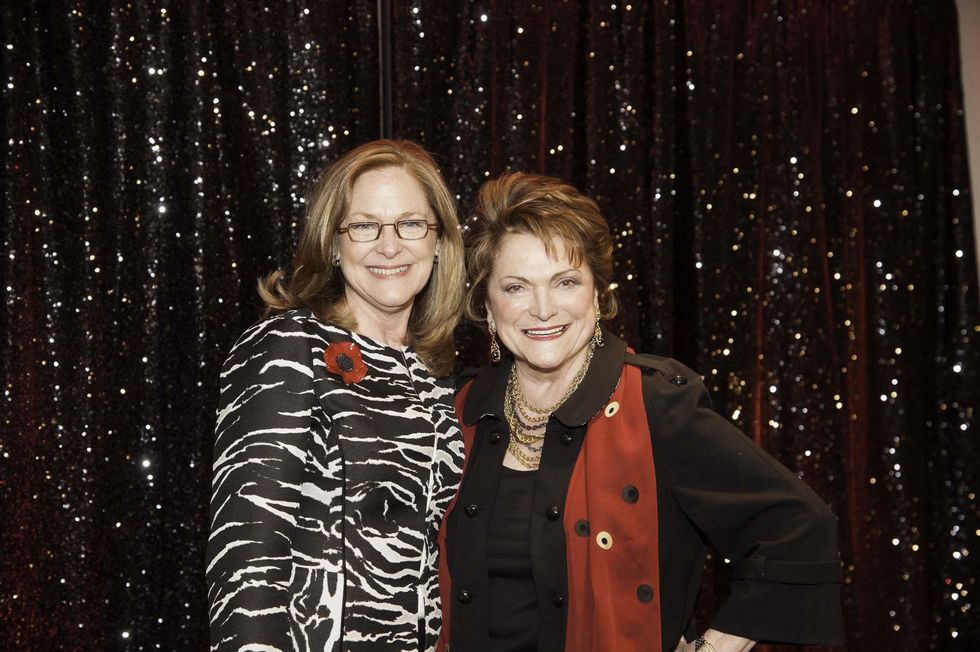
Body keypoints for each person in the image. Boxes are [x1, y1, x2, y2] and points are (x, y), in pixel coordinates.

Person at [438, 173, 844, 652]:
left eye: (565, 281)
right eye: (516, 287)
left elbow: (798, 528)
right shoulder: (459, 408)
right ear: (487, 304)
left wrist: (715, 648)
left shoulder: (654, 404)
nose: (542, 308)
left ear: (597, 292)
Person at [207, 140, 466, 652]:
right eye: (364, 226)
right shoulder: (287, 346)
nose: (389, 246)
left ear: (439, 241)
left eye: (411, 224)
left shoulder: (437, 373)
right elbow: (245, 561)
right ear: (332, 242)